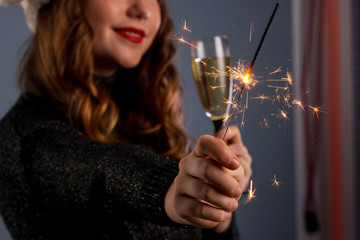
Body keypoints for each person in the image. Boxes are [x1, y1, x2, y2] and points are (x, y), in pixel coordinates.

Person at [0, 0, 252, 239]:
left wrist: (217, 212)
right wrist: (169, 188)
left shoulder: (148, 120)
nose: (143, 9)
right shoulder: (24, 139)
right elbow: (98, 169)